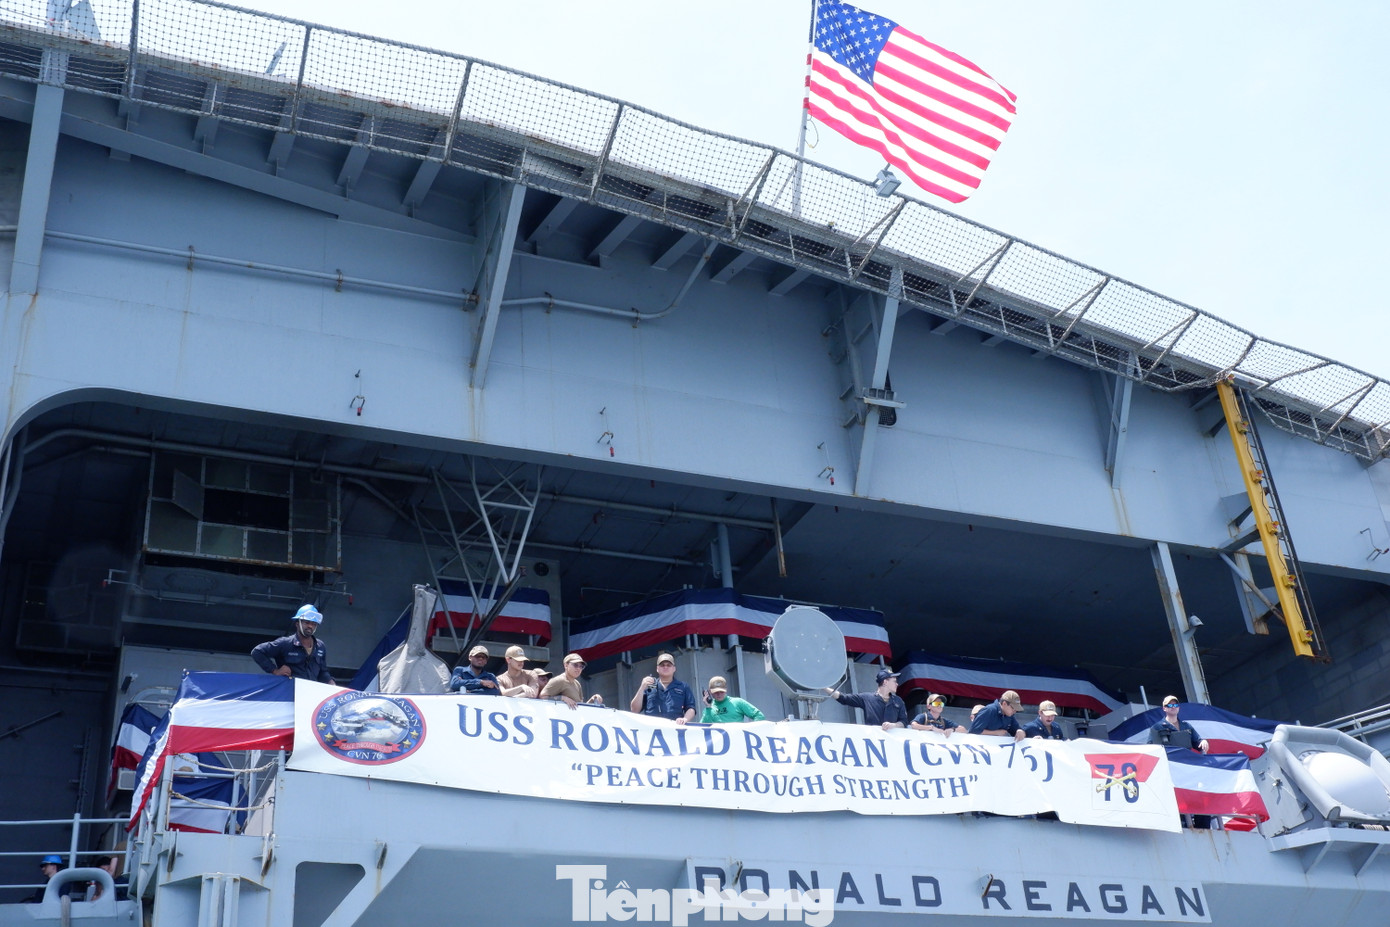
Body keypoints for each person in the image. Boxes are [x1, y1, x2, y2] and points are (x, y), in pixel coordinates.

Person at [250, 604, 333, 683]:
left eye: (313, 624)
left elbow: (323, 672)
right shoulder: (285, 643)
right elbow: (257, 652)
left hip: (311, 693)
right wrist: (275, 671)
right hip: (289, 692)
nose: (310, 626)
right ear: (297, 624)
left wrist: (331, 682)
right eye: (307, 622)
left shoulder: (320, 646)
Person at [824, 669, 908, 730]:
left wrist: (893, 725)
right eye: (894, 681)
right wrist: (823, 687)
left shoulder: (898, 701)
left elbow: (904, 722)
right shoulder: (867, 698)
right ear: (885, 682)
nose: (897, 684)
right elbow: (844, 698)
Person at [629, 652, 696, 724]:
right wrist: (642, 688)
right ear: (657, 668)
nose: (665, 667)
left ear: (674, 668)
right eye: (662, 665)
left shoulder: (683, 687)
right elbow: (634, 710)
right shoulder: (650, 685)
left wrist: (685, 719)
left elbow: (691, 708)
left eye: (669, 665)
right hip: (652, 729)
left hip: (675, 729)